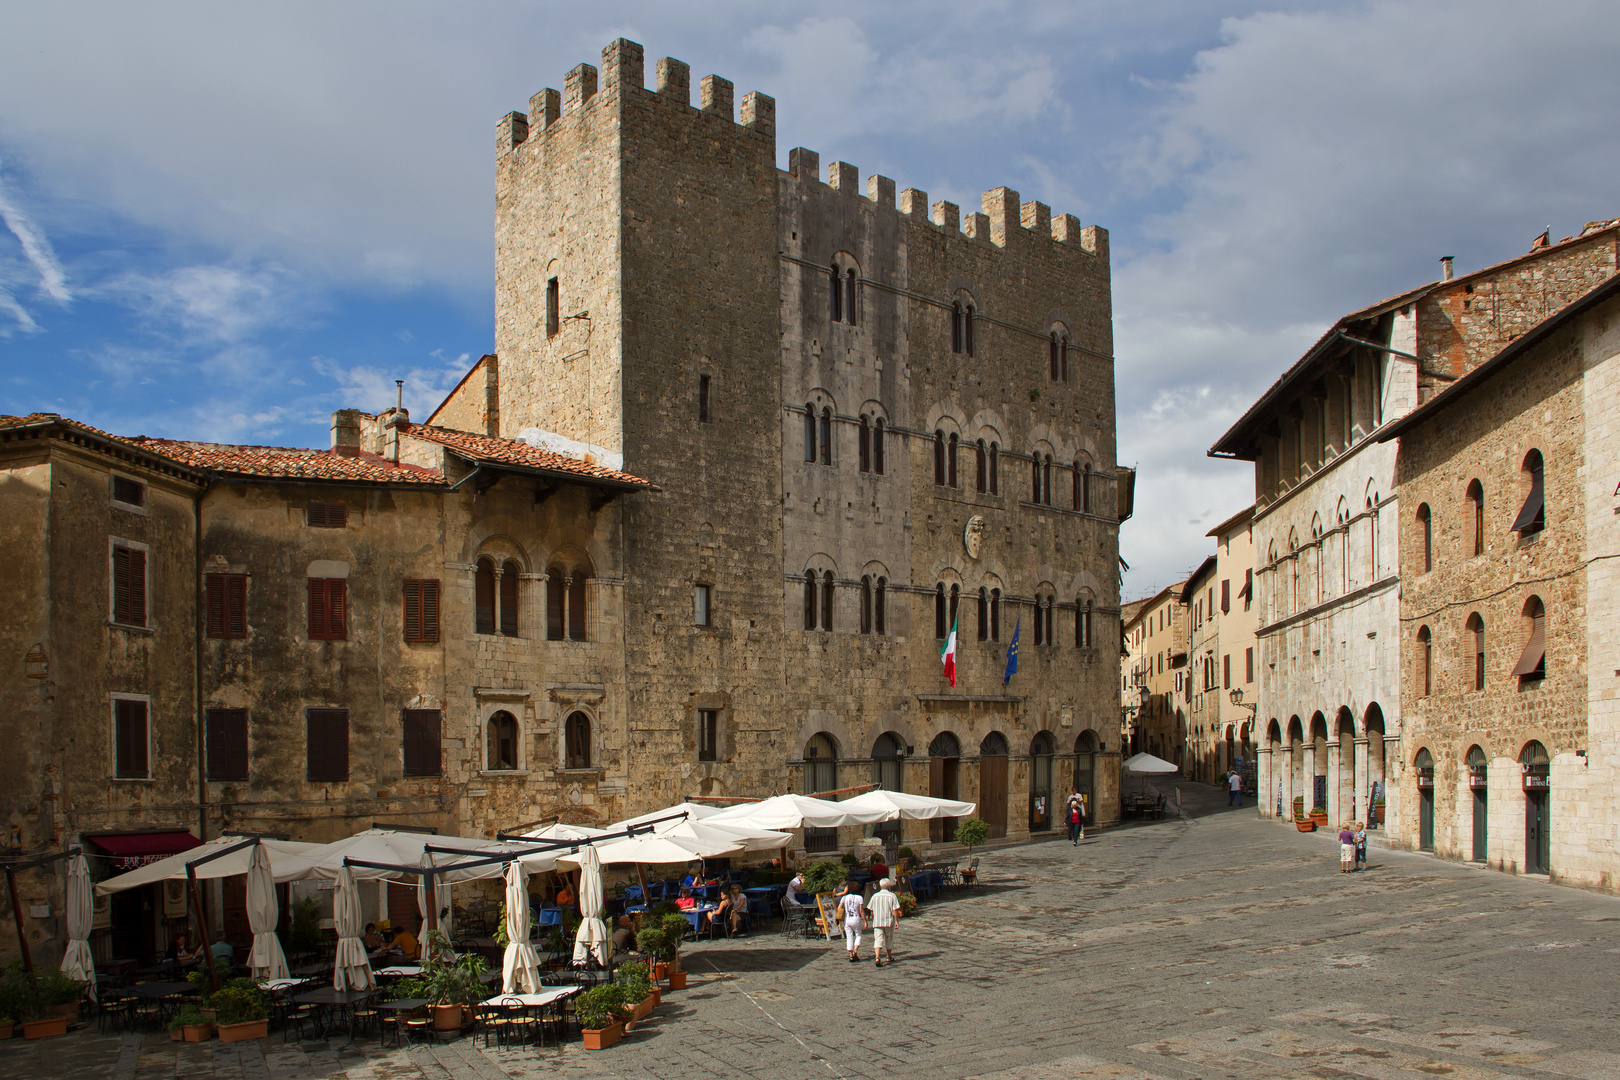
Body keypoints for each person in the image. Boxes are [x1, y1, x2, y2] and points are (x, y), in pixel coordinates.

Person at [867, 878, 900, 967]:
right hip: (888, 920)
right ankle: (888, 956)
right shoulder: (892, 896)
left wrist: (873, 919)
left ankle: (877, 957)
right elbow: (895, 910)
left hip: (877, 921)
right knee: (889, 938)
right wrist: (897, 921)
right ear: (889, 886)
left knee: (878, 939)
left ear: (880, 886)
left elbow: (871, 910)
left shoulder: (875, 896)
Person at [837, 880, 867, 962]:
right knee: (858, 935)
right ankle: (855, 951)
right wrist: (865, 921)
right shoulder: (859, 898)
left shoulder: (844, 897)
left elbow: (839, 908)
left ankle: (850, 955)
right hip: (856, 918)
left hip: (847, 919)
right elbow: (861, 911)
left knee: (849, 936)